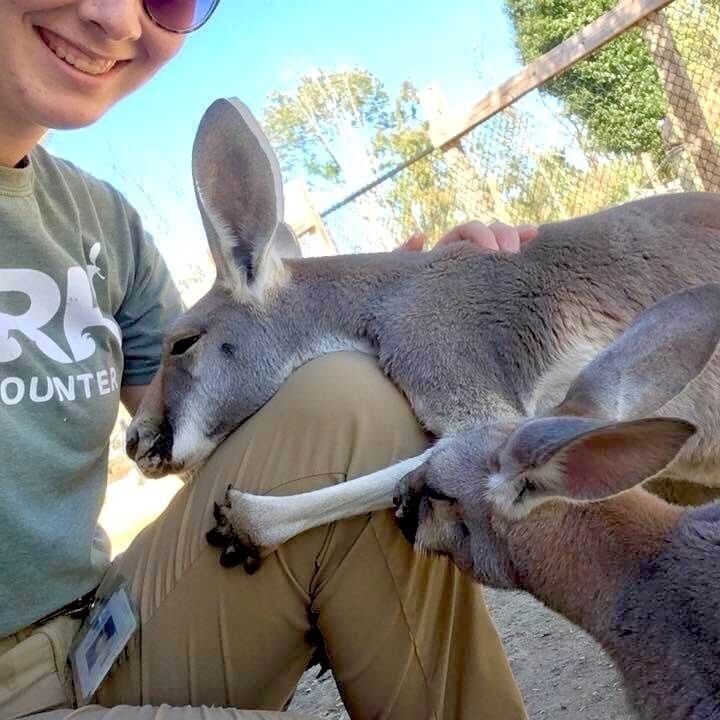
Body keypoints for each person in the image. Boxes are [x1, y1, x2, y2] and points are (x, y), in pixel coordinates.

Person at [0, 2, 537, 719]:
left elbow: (229, 404)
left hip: (100, 629)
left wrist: (426, 305)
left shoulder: (100, 223)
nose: (115, 19)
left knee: (357, 401)